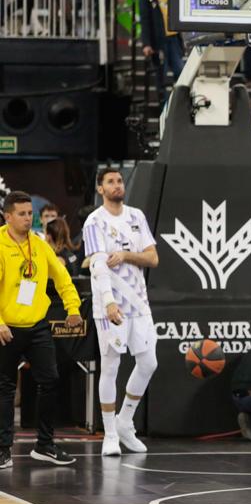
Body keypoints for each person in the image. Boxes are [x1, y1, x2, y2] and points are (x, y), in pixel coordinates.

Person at [0, 191, 82, 469]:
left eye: (29, 214)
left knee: (50, 381)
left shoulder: (38, 244)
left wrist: (73, 309)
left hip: (37, 326)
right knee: (5, 389)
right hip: (6, 328)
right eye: (21, 214)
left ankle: (45, 445)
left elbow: (62, 278)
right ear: (7, 216)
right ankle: (3, 449)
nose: (27, 218)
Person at [82, 169, 160, 456]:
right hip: (110, 306)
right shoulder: (94, 222)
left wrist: (127, 255)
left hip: (139, 303)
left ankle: (125, 422)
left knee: (149, 362)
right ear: (100, 188)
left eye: (119, 181)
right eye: (111, 182)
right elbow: (98, 264)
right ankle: (110, 434)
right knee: (111, 366)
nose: (117, 185)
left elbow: (153, 257)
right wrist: (108, 301)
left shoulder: (136, 216)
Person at [137, 0, 183, 99]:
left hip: (174, 38)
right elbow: (144, 21)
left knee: (180, 71)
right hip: (159, 40)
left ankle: (180, 101)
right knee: (162, 76)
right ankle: (163, 105)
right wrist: (146, 43)